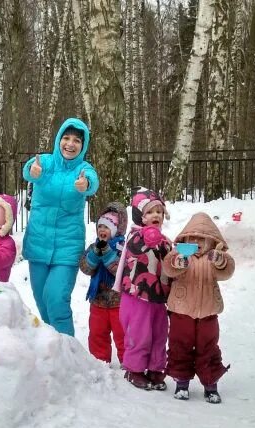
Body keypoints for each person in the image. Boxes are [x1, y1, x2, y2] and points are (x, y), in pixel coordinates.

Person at [21, 117, 99, 336]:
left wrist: (86, 184)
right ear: (58, 139)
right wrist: (31, 171)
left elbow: (93, 183)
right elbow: (29, 169)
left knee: (56, 300)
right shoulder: (45, 162)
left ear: (83, 146)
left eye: (77, 140)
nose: (70, 144)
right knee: (43, 303)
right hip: (38, 243)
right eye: (66, 138)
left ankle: (68, 351)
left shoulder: (84, 169)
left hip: (67, 245)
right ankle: (53, 346)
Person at [162, 212, 235, 403]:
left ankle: (210, 383)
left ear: (213, 241)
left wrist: (220, 261)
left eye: (203, 238)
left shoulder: (214, 258)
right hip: (181, 312)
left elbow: (227, 271)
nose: (197, 241)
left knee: (208, 347)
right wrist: (178, 262)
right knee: (179, 345)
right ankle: (182, 382)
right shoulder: (179, 254)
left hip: (208, 312)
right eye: (193, 237)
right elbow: (168, 267)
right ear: (185, 238)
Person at [117, 188, 172, 390]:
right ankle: (134, 369)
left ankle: (156, 369)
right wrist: (150, 235)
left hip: (158, 296)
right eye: (149, 212)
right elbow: (141, 246)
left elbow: (169, 263)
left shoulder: (164, 240)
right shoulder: (136, 236)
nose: (155, 215)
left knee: (159, 333)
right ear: (140, 216)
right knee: (140, 333)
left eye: (159, 211)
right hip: (137, 295)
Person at [79, 202, 127, 364]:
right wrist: (94, 254)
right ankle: (100, 360)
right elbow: (86, 268)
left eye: (106, 227)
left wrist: (107, 254)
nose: (102, 230)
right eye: (100, 226)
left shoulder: (123, 248)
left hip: (119, 302)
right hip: (98, 299)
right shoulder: (94, 247)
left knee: (123, 334)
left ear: (115, 229)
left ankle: (128, 361)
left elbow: (121, 271)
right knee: (97, 333)